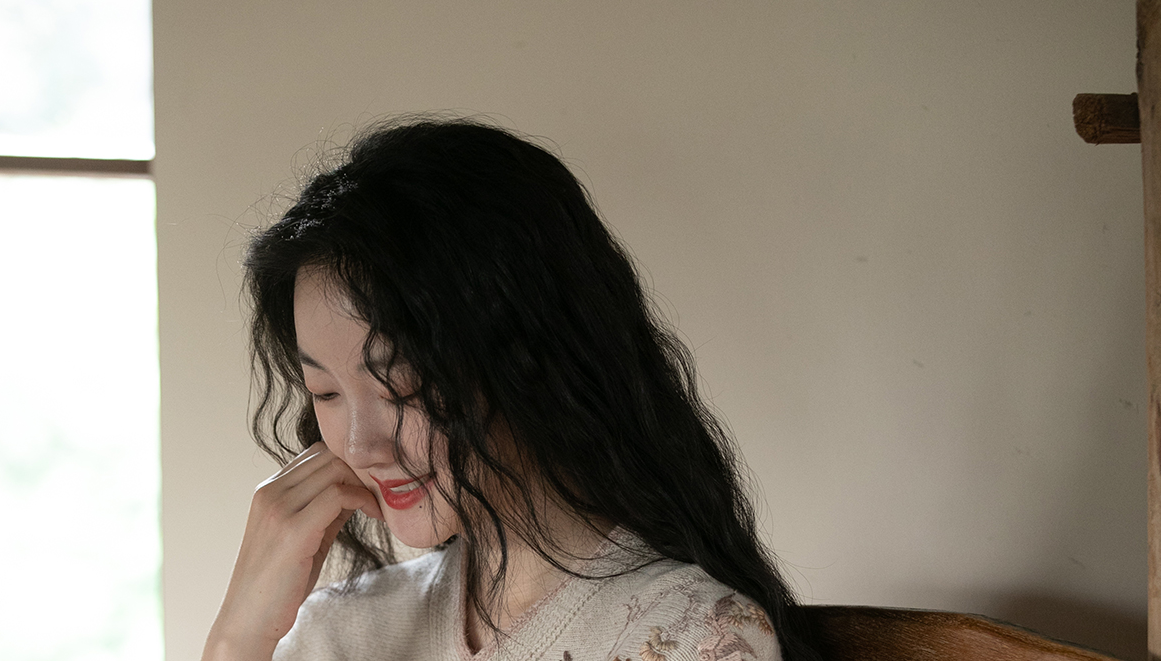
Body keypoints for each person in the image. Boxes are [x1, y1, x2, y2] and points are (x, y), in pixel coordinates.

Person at [202, 117, 818, 661]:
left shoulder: (692, 635)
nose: (360, 446)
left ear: (528, 355)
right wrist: (235, 640)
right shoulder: (337, 632)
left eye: (397, 383)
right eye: (325, 392)